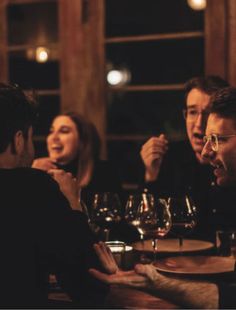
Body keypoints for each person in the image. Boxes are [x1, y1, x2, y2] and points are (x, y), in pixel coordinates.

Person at [89, 87, 236, 309]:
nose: (206, 152)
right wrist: (155, 281)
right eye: (191, 112)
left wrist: (158, 283)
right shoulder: (172, 159)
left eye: (217, 139)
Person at [0, 83, 109, 308]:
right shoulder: (34, 187)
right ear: (18, 140)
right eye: (33, 136)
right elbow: (91, 287)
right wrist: (72, 204)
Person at [140, 75, 234, 242]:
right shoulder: (168, 156)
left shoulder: (229, 167)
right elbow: (147, 230)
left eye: (207, 113)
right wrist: (150, 175)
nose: (199, 123)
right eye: (192, 112)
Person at [32, 112, 139, 243]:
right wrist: (32, 176)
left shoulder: (103, 172)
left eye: (64, 131)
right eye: (51, 131)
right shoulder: (38, 171)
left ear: (82, 141)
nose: (54, 137)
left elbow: (121, 230)